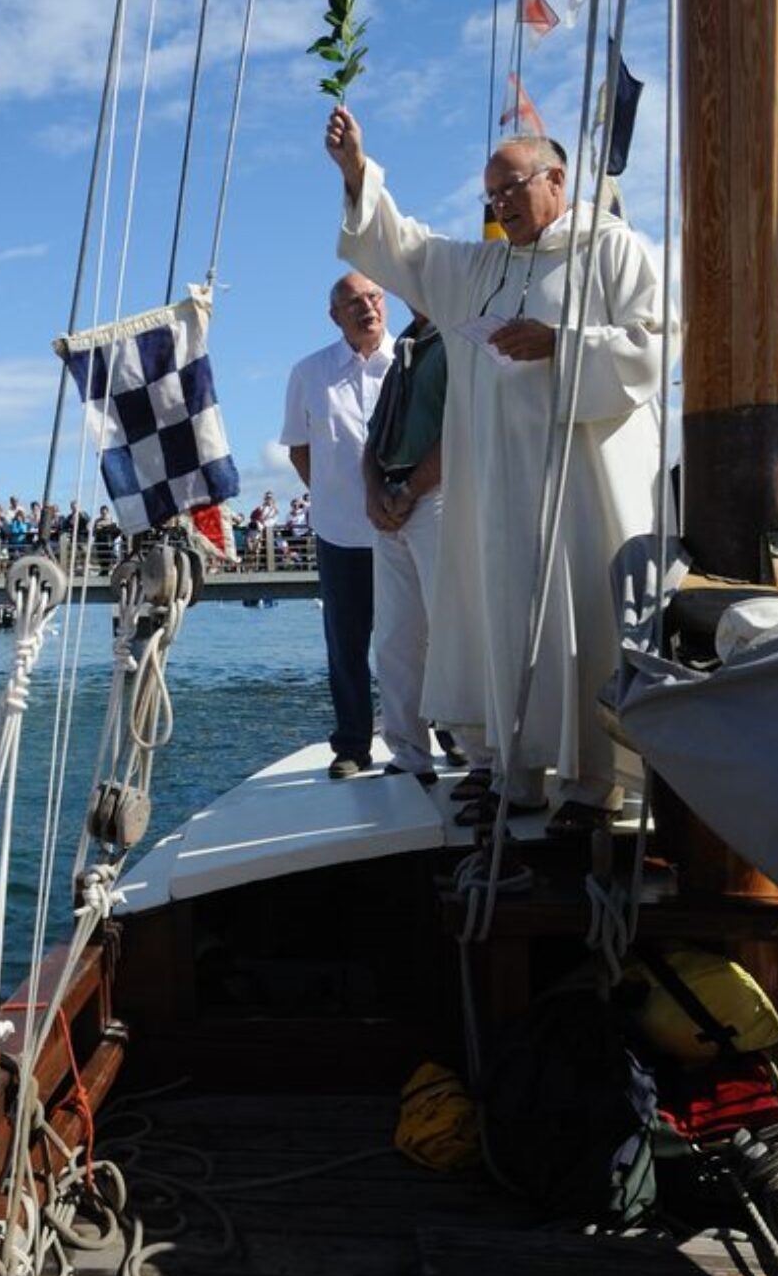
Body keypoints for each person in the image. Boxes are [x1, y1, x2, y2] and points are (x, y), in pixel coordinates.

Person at [329, 110, 665, 833]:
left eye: (511, 189)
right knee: (503, 625)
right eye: (490, 196)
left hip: (577, 486)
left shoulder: (612, 250)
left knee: (583, 625)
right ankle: (517, 774)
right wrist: (357, 172)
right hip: (496, 493)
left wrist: (561, 343)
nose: (500, 205)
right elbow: (408, 250)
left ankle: (594, 785)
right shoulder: (484, 267)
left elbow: (654, 344)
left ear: (556, 179)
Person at [283, 273, 405, 780]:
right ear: (335, 316)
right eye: (353, 302)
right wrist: (337, 497)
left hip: (409, 527)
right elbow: (299, 450)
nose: (366, 308)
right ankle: (353, 744)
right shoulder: (308, 373)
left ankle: (442, 735)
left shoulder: (410, 362)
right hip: (341, 533)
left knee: (423, 641)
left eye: (374, 297)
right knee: (347, 647)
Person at [359, 308, 453, 784]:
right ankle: (409, 752)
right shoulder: (404, 355)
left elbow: (460, 429)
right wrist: (375, 493)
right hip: (396, 500)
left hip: (437, 496)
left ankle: (480, 753)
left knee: (452, 628)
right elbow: (374, 439)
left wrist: (410, 490)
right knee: (394, 637)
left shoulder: (454, 344)